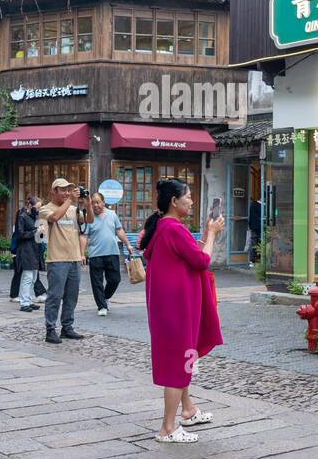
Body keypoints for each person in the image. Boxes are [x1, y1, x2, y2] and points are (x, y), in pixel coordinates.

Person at [138, 178, 223, 443]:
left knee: (183, 358)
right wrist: (211, 234)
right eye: (188, 196)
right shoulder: (173, 229)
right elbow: (203, 261)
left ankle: (188, 409)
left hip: (170, 308)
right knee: (178, 364)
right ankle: (167, 428)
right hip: (176, 310)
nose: (191, 200)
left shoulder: (165, 228)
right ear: (174, 201)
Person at [38, 178, 89, 344]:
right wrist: (69, 201)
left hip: (74, 258)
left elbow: (89, 221)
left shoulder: (73, 209)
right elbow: (55, 217)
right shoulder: (45, 209)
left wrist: (87, 203)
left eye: (69, 190)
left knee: (71, 297)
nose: (67, 192)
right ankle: (50, 330)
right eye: (63, 189)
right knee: (55, 296)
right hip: (57, 260)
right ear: (54, 191)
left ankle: (67, 327)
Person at [83, 192, 133, 316]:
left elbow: (119, 230)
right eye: (93, 202)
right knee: (97, 282)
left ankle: (104, 297)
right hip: (95, 255)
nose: (95, 205)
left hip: (112, 252)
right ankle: (101, 306)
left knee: (115, 279)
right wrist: (82, 253)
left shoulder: (112, 214)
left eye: (98, 202)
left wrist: (128, 244)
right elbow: (83, 236)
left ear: (103, 202)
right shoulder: (88, 217)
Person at [14, 196, 46, 311]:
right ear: (29, 206)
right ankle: (25, 303)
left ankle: (28, 299)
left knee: (33, 277)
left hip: (35, 250)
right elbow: (20, 235)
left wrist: (42, 231)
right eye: (37, 208)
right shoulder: (22, 217)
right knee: (27, 277)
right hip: (25, 251)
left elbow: (39, 237)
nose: (38, 210)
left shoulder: (36, 217)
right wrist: (35, 231)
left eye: (39, 208)